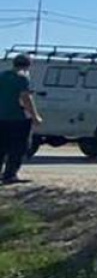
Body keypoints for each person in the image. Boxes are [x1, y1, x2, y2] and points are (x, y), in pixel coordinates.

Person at [0, 54, 42, 184]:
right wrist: (35, 116)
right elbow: (26, 98)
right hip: (17, 117)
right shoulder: (22, 78)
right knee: (18, 147)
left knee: (1, 147)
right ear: (28, 65)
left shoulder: (2, 76)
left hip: (1, 117)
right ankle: (10, 174)